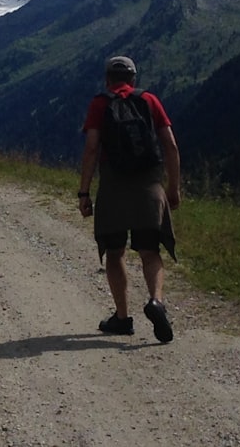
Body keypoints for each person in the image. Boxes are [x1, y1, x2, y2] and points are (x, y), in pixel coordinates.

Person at [77, 55, 181, 343]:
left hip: (113, 190)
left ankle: (122, 318)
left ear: (107, 79)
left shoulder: (100, 104)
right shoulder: (149, 100)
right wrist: (173, 188)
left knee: (115, 253)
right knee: (150, 251)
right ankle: (156, 301)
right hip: (149, 187)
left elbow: (91, 149)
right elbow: (170, 146)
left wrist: (84, 192)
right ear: (133, 79)